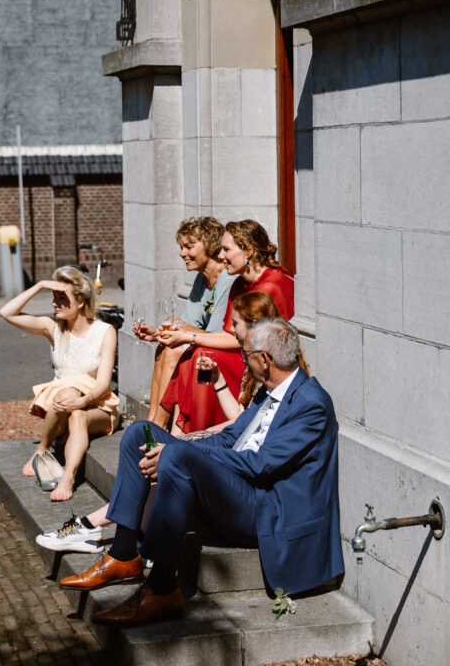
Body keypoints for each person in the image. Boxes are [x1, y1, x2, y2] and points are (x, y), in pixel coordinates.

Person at [57, 317, 343, 628]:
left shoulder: (310, 404)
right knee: (141, 432)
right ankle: (124, 553)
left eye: (246, 355)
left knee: (179, 456)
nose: (243, 363)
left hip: (264, 509)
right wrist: (179, 443)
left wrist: (181, 453)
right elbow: (232, 438)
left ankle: (162, 590)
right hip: (236, 487)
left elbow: (260, 464)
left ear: (265, 359)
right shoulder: (268, 391)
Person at [35, 291, 285, 552]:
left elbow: (246, 440)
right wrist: (218, 382)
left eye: (235, 324)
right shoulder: (254, 366)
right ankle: (130, 545)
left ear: (255, 327)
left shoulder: (271, 375)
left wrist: (192, 442)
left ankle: (93, 528)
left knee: (160, 462)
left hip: (238, 478)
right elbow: (240, 421)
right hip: (228, 451)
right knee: (140, 435)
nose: (230, 330)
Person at [159, 220, 294, 434]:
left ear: (248, 251)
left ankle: (195, 431)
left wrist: (190, 338)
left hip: (262, 361)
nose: (221, 256)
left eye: (226, 249)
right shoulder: (239, 283)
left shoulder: (270, 286)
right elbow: (229, 332)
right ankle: (178, 432)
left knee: (200, 355)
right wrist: (188, 338)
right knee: (194, 355)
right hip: (243, 351)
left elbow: (256, 342)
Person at [0, 267, 119, 501]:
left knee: (75, 409)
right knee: (68, 399)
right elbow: (7, 312)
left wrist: (81, 401)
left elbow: (104, 383)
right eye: (54, 298)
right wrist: (40, 286)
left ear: (81, 301)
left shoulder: (105, 331)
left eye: (62, 299)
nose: (55, 304)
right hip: (61, 405)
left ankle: (67, 478)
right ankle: (42, 449)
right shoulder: (52, 328)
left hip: (98, 405)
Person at [133, 216, 232, 426]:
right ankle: (152, 421)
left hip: (227, 353)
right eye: (181, 247)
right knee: (163, 348)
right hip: (204, 345)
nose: (182, 253)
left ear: (211, 245)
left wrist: (182, 327)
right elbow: (187, 324)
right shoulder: (202, 279)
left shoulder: (227, 279)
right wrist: (157, 335)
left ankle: (157, 427)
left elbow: (214, 334)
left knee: (173, 351)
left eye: (189, 246)